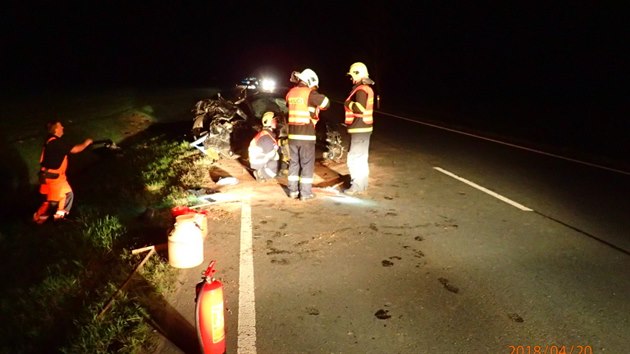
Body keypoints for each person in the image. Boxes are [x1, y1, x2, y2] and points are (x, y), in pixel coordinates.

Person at [33, 121, 93, 224]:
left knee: (67, 195)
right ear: (56, 129)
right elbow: (76, 149)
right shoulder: (57, 143)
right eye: (61, 126)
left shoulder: (50, 141)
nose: (63, 127)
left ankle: (59, 218)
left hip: (50, 176)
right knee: (52, 203)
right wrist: (87, 143)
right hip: (54, 178)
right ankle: (38, 221)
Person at [285, 68, 330, 200]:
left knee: (294, 163)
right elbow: (326, 103)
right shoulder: (310, 93)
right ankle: (305, 193)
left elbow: (290, 106)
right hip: (306, 135)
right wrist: (314, 93)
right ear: (310, 81)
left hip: (292, 135)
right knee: (307, 164)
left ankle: (292, 191)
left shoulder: (290, 93)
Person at [343, 62, 375, 195]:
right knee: (361, 158)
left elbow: (360, 109)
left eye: (352, 76)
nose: (351, 79)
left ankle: (356, 186)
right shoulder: (365, 88)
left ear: (358, 74)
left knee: (355, 158)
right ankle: (362, 184)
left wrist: (348, 103)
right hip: (363, 129)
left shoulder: (361, 90)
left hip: (359, 129)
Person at [248, 111, 280, 181]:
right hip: (259, 163)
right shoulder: (266, 137)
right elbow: (271, 154)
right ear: (269, 122)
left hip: (260, 160)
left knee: (279, 163)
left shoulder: (266, 133)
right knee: (275, 164)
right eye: (274, 120)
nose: (276, 122)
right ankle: (260, 173)